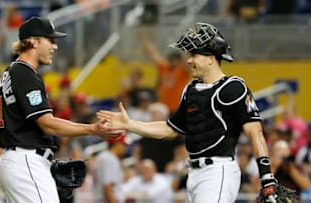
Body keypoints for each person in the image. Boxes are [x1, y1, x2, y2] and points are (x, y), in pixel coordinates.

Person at [98, 23, 279, 202]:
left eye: (194, 54)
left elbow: (255, 132)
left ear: (211, 58)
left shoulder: (233, 87)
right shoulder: (191, 90)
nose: (188, 60)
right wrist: (129, 124)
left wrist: (266, 178)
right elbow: (170, 129)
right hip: (193, 173)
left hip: (218, 171)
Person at [0, 16, 121, 203]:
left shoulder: (12, 72)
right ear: (33, 41)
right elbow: (48, 124)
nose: (55, 46)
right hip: (26, 161)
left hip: (19, 160)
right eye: (50, 40)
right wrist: (92, 129)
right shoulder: (24, 73)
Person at [93, 133, 129, 203]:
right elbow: (108, 187)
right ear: (116, 143)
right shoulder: (110, 159)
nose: (125, 148)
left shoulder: (102, 156)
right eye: (124, 144)